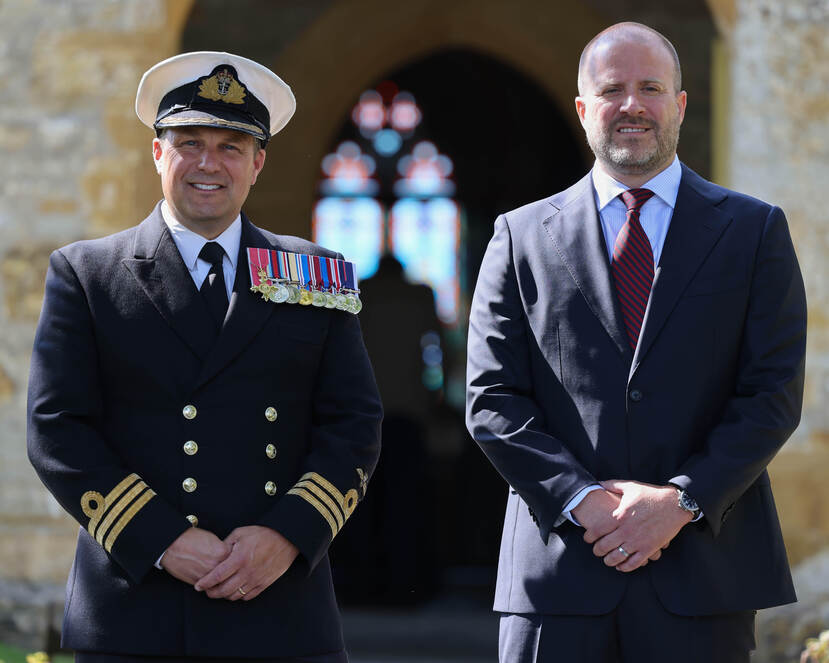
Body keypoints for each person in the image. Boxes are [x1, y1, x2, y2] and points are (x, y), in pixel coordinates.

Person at [465, 22, 806, 662]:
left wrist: (682, 500)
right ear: (583, 108)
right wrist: (581, 500)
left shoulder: (754, 231)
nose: (632, 105)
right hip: (560, 573)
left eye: (650, 88)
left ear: (679, 103)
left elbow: (773, 395)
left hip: (706, 575)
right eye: (612, 89)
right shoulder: (519, 236)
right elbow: (492, 401)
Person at [27, 51, 382, 662]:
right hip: (136, 606)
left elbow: (353, 425)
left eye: (231, 147)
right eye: (189, 142)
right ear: (158, 153)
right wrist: (163, 539)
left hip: (278, 604)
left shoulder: (315, 273)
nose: (208, 164)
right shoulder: (88, 274)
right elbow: (57, 429)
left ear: (259, 163)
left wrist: (287, 534)